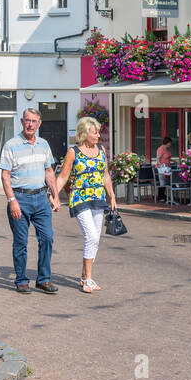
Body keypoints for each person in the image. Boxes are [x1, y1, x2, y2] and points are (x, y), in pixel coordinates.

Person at [0, 108, 60, 294]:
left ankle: (43, 279)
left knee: (47, 238)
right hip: (20, 198)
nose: (30, 124)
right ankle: (21, 280)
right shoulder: (11, 145)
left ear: (39, 123)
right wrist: (12, 200)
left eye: (34, 121)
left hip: (41, 199)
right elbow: (5, 175)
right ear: (22, 121)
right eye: (27, 120)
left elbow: (49, 172)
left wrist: (55, 196)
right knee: (21, 242)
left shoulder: (43, 144)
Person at [56, 116, 115, 293]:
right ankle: (88, 279)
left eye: (98, 132)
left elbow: (105, 175)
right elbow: (63, 176)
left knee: (96, 238)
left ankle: (84, 276)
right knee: (91, 236)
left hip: (98, 198)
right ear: (84, 133)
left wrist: (112, 196)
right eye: (94, 132)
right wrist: (54, 196)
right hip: (80, 198)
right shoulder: (73, 152)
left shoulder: (101, 150)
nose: (98, 135)